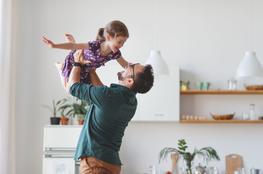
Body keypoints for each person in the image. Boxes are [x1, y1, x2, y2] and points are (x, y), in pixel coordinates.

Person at [67, 50, 154, 174]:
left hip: (95, 164)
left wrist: (77, 63)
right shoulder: (131, 102)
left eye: (132, 67)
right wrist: (91, 71)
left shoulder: (109, 96)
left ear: (129, 81)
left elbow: (73, 87)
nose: (128, 65)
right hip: (111, 164)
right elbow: (103, 96)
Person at [42, 20, 130, 88]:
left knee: (81, 89)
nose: (121, 45)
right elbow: (73, 45)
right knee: (69, 88)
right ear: (108, 37)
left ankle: (74, 49)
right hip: (74, 62)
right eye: (119, 42)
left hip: (86, 70)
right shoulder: (95, 45)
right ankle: (61, 67)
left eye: (124, 42)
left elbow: (126, 65)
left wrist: (142, 69)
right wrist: (54, 45)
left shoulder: (115, 53)